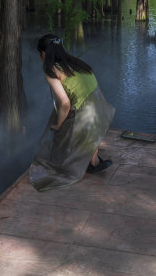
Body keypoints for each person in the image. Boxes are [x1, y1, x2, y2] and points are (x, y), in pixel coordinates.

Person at [28, 34, 115, 191]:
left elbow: (65, 103)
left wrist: (58, 125)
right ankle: (93, 161)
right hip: (101, 108)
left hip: (88, 113)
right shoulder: (75, 63)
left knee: (58, 124)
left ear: (43, 54)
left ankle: (86, 161)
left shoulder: (51, 70)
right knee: (71, 117)